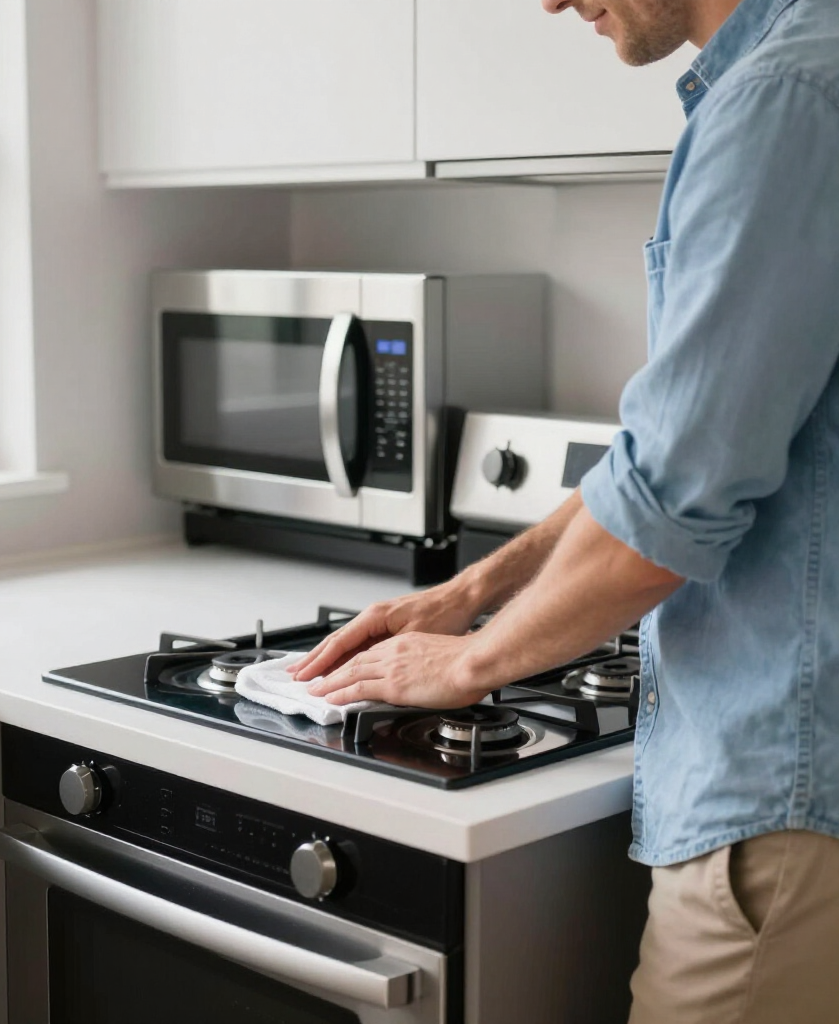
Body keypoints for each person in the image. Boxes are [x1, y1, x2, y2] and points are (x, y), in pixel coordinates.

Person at [288, 1, 839, 1021]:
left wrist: (470, 661)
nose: (546, 0)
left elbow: (667, 510)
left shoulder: (782, 99)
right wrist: (470, 590)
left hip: (786, 800)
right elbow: (658, 458)